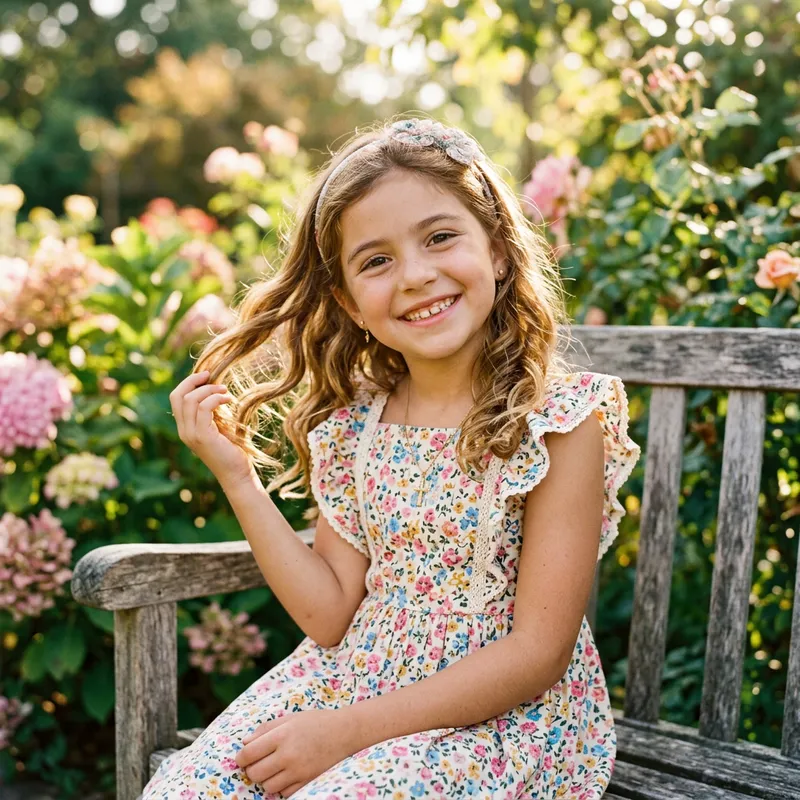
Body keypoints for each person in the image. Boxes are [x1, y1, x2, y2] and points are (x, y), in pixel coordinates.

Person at [144, 116, 641, 799]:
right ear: (349, 302)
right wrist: (238, 477)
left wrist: (348, 732)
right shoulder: (357, 424)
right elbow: (330, 616)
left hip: (498, 720)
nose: (415, 276)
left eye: (440, 237)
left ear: (498, 249)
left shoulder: (557, 422)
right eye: (376, 261)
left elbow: (537, 653)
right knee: (187, 789)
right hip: (349, 682)